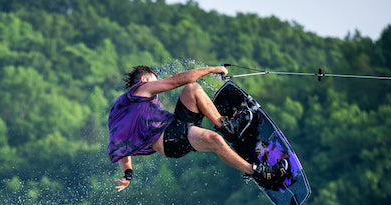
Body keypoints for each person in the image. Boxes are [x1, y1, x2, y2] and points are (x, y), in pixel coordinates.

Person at [107, 65, 289, 191]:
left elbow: (121, 147)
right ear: (145, 79)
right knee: (215, 140)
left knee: (192, 88)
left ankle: (227, 127)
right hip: (169, 140)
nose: (157, 88)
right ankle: (259, 172)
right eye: (155, 81)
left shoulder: (120, 113)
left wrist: (128, 173)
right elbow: (176, 80)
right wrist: (212, 69)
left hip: (175, 126)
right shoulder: (142, 88)